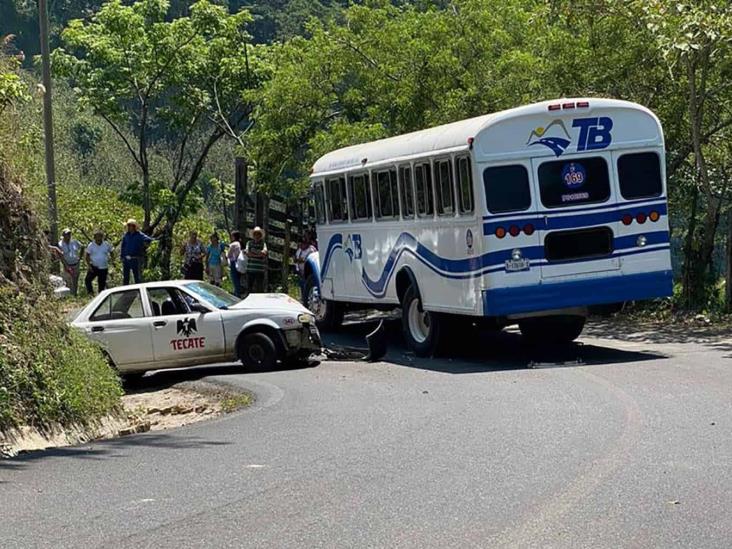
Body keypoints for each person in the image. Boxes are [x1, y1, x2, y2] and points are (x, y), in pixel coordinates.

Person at [120, 219, 153, 285]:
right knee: (126, 277)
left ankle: (138, 292)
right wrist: (122, 256)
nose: (129, 227)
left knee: (137, 277)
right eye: (128, 225)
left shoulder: (139, 235)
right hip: (126, 259)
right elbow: (123, 246)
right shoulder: (126, 235)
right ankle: (125, 292)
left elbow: (149, 239)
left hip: (135, 259)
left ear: (134, 226)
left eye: (130, 225)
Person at [84, 229, 114, 295]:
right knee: (87, 280)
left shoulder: (106, 244)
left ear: (102, 237)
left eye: (100, 236)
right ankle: (90, 293)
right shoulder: (91, 245)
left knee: (101, 284)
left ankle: (100, 297)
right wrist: (89, 266)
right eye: (97, 236)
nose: (99, 238)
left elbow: (111, 251)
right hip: (94, 266)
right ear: (94, 237)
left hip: (103, 267)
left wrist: (112, 261)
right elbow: (87, 256)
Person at [58, 228, 82, 296]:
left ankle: (75, 294)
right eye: (67, 234)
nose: (68, 235)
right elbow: (61, 256)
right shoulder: (60, 244)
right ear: (63, 235)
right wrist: (65, 265)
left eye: (69, 234)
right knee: (68, 280)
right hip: (67, 264)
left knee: (75, 280)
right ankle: (69, 295)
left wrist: (80, 258)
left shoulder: (74, 242)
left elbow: (82, 247)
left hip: (76, 264)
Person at [294, 233, 316, 303]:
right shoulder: (299, 250)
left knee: (308, 288)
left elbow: (310, 260)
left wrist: (301, 260)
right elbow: (296, 258)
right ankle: (303, 300)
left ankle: (307, 301)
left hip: (309, 274)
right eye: (300, 244)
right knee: (302, 287)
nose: (301, 245)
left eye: (303, 244)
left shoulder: (311, 250)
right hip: (300, 272)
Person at [245, 226, 268, 293]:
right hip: (250, 269)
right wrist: (259, 254)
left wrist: (253, 251)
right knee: (249, 288)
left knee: (260, 288)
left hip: (259, 270)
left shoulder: (263, 244)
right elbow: (247, 253)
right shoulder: (249, 243)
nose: (257, 236)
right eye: (255, 234)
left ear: (260, 235)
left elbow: (264, 253)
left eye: (258, 234)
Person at [227, 230, 243, 297]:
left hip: (233, 262)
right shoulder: (239, 243)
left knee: (234, 278)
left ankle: (237, 293)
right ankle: (237, 292)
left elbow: (229, 255)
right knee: (238, 278)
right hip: (239, 262)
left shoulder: (233, 244)